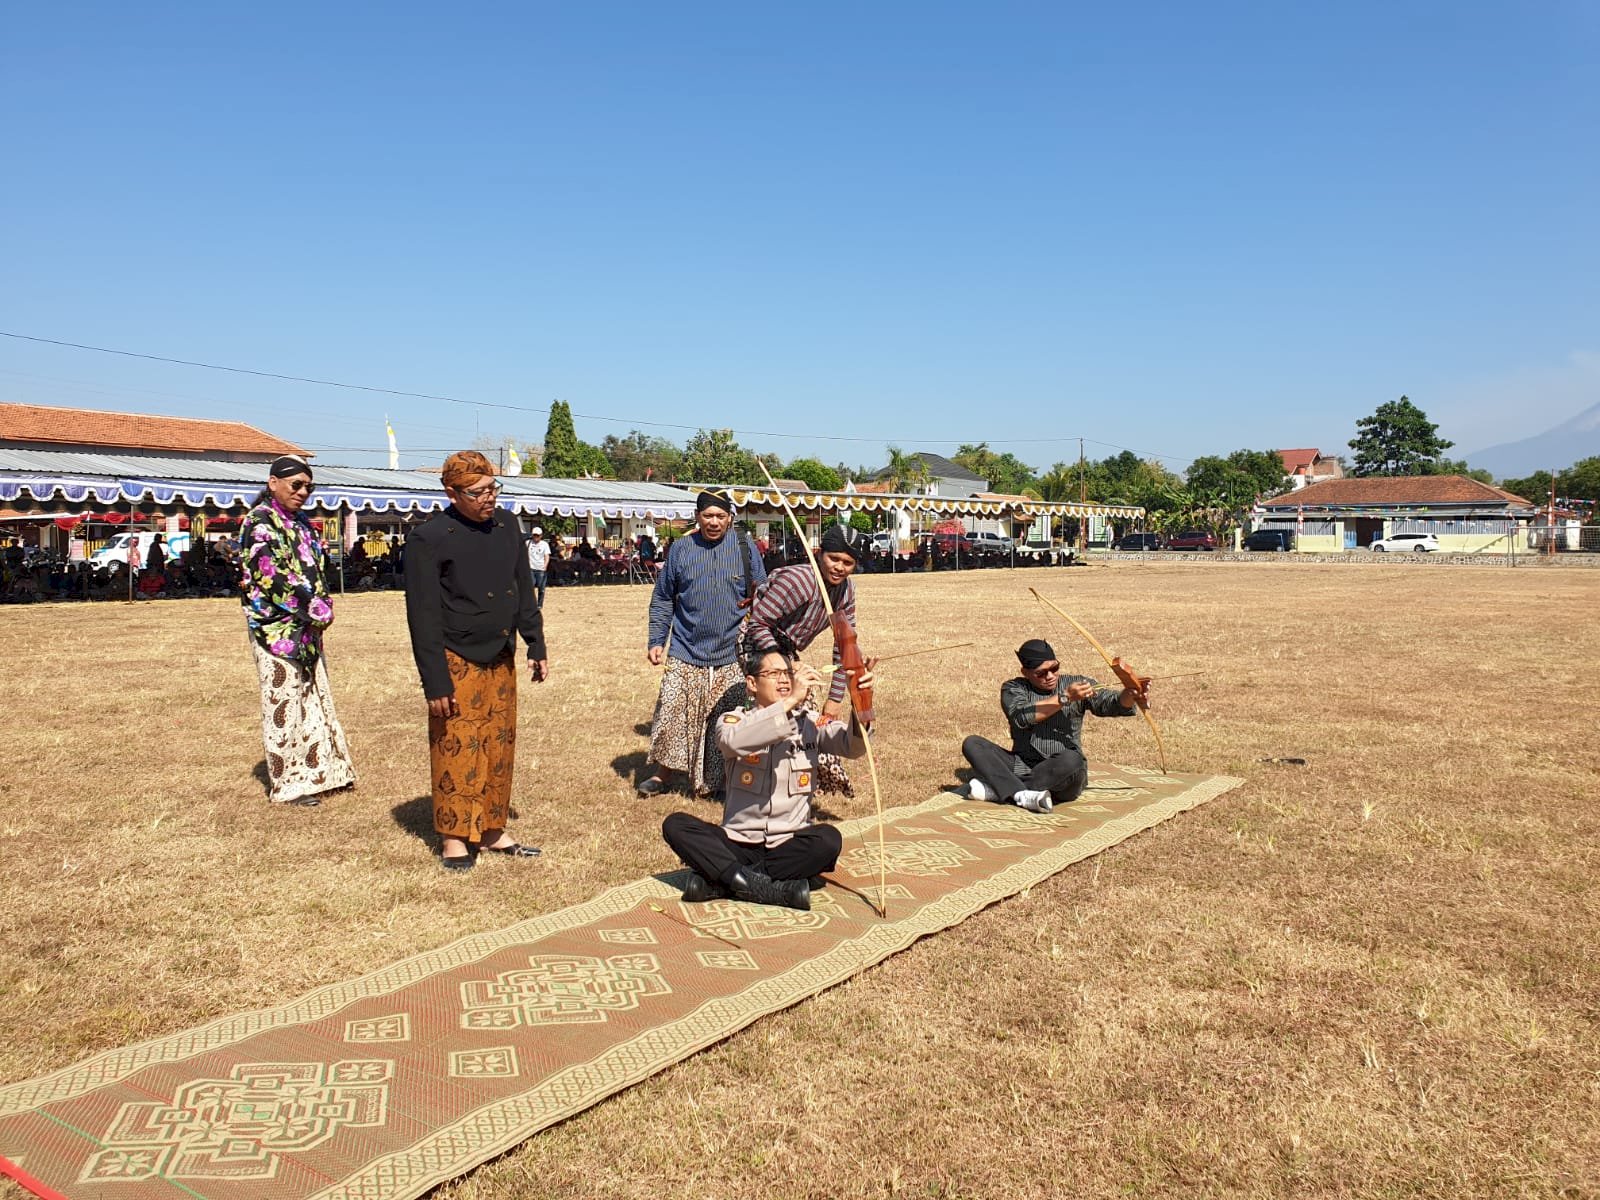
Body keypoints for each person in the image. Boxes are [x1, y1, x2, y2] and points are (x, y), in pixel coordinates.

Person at [405, 452, 549, 870]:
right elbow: (423, 615)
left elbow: (523, 588)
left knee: (498, 745)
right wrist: (436, 682)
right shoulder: (429, 538)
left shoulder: (507, 526)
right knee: (457, 746)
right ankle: (453, 836)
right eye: (478, 492)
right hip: (456, 657)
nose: (489, 498)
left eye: (493, 489)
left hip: (500, 653)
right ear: (451, 493)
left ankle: (491, 830)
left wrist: (535, 644)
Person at [661, 648, 870, 910]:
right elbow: (733, 741)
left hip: (787, 844)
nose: (784, 680)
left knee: (828, 840)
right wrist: (790, 702)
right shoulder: (733, 720)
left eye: (788, 673)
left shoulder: (810, 724)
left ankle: (725, 880)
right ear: (751, 683)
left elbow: (852, 747)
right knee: (676, 825)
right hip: (738, 841)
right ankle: (771, 888)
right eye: (774, 673)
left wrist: (860, 699)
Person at [239, 454, 357, 807]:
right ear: (273, 483)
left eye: (309, 486)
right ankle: (288, 782)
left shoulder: (302, 522)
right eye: (296, 485)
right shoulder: (259, 523)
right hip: (275, 629)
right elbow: (270, 575)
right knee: (283, 702)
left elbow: (314, 569)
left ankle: (322, 772)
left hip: (308, 628)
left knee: (312, 697)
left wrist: (321, 606)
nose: (303, 492)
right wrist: (314, 607)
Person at [641, 488, 766, 799]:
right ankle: (662, 774)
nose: (714, 522)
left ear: (730, 518)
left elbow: (762, 589)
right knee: (672, 709)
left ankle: (719, 780)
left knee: (726, 716)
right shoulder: (681, 550)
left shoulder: (744, 546)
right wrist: (657, 639)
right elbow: (663, 598)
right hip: (686, 645)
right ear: (697, 517)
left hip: (731, 647)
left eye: (720, 516)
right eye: (707, 515)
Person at [739, 522, 874, 795]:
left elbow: (844, 646)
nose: (839, 567)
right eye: (833, 558)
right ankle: (757, 776)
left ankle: (797, 778)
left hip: (787, 651)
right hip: (754, 642)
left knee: (808, 717)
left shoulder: (847, 592)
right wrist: (785, 666)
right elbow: (758, 624)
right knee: (784, 707)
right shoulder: (798, 581)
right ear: (819, 553)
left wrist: (835, 701)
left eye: (847, 562)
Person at [960, 638, 1141, 812]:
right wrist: (1065, 698)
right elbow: (1021, 717)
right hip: (1023, 764)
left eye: (1054, 668)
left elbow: (1111, 703)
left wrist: (1130, 693)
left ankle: (1004, 790)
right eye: (1041, 673)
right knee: (972, 743)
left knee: (1073, 759)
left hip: (1064, 775)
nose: (1050, 676)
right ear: (1025, 672)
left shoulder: (1075, 684)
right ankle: (1023, 794)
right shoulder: (1014, 688)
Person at [526, 525, 551, 609]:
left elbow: (546, 556)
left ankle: (539, 604)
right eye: (534, 535)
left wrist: (545, 566)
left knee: (541, 587)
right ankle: (531, 603)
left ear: (541, 536)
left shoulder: (544, 544)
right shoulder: (528, 543)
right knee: (530, 586)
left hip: (541, 569)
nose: (536, 537)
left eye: (537, 535)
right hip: (531, 568)